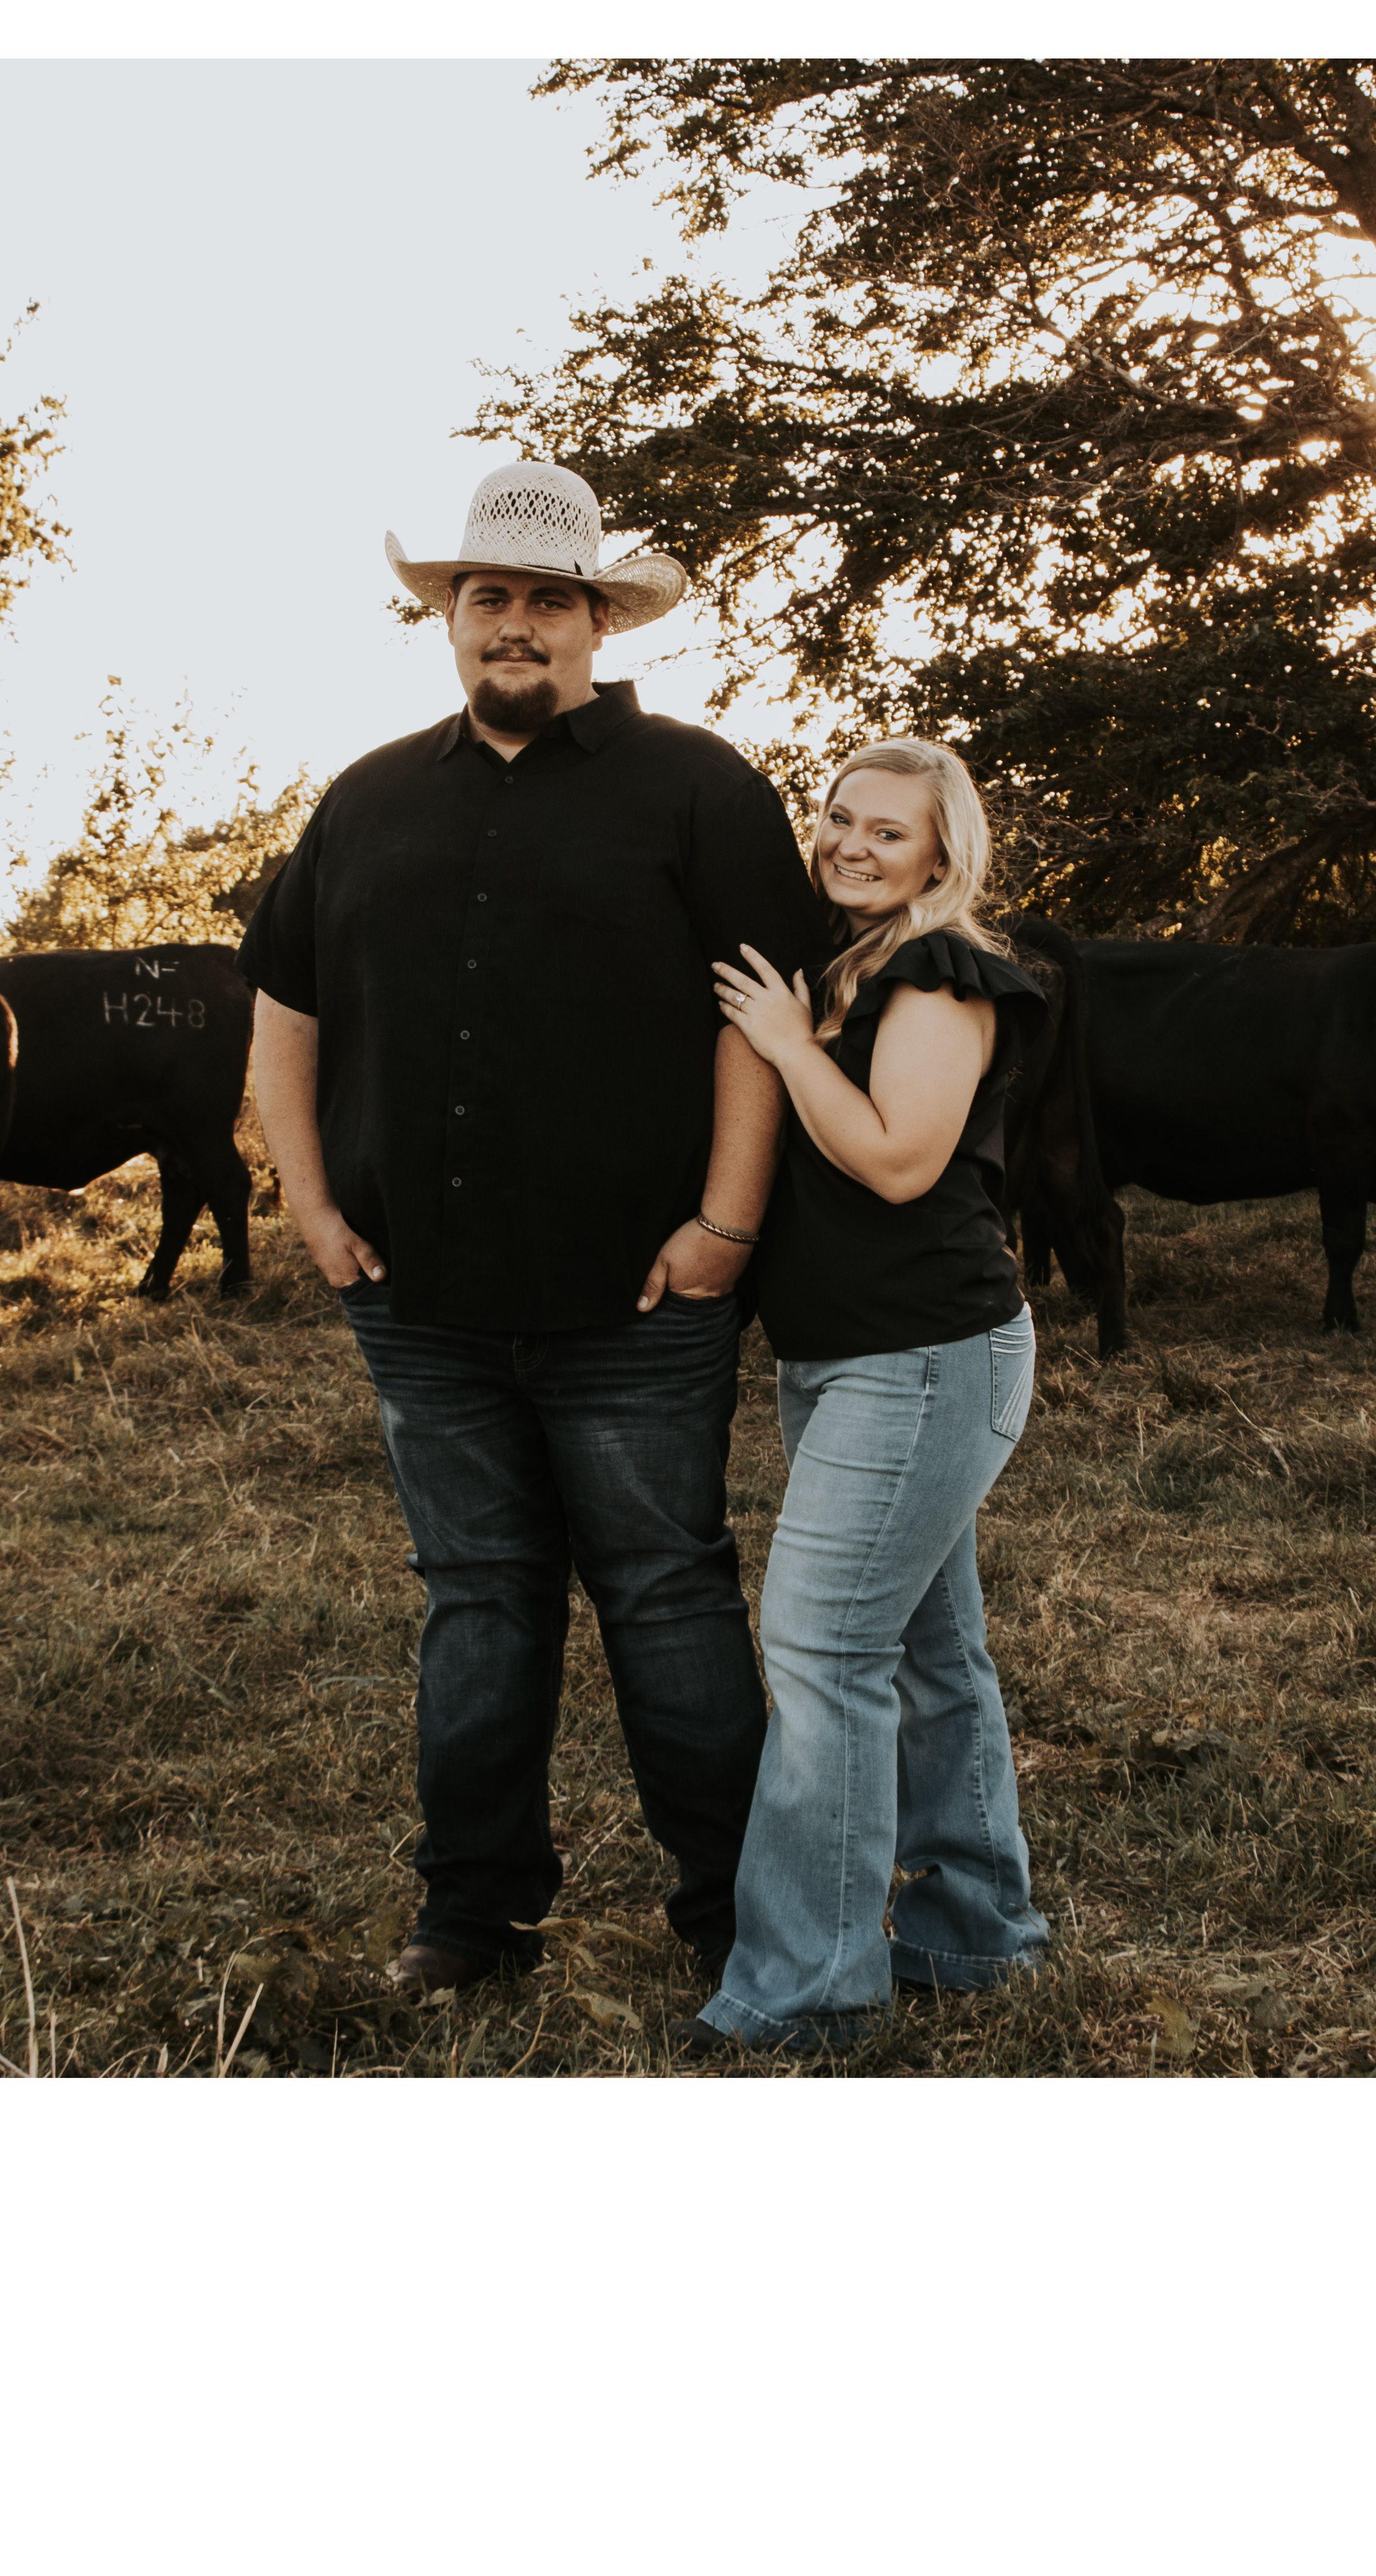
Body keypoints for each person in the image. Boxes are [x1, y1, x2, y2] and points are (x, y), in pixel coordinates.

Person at [239, 459, 830, 1994]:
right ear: (448, 615)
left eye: (548, 600)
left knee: (667, 1596)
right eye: (487, 595)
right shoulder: (366, 798)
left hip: (638, 1298)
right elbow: (286, 1005)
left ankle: (740, 1917)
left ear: (596, 620)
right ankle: (473, 1919)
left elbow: (761, 1018)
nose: (516, 622)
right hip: (420, 1302)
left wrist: (725, 1227)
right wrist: (309, 1202)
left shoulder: (700, 788)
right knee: (480, 1604)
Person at [680, 738, 1051, 2054]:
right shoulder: (851, 968)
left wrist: (786, 1045)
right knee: (932, 1654)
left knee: (823, 1650)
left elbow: (898, 1163)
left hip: (925, 1354)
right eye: (839, 817)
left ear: (942, 854)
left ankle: (805, 1990)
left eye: (887, 831)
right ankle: (973, 1932)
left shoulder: (939, 974)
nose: (849, 843)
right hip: (855, 1359)